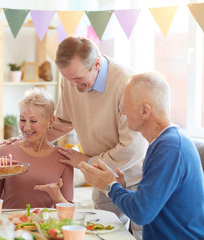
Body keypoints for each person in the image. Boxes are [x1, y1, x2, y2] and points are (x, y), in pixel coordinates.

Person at [80, 71, 204, 239]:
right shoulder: (164, 143)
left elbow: (142, 213)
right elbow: (148, 204)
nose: (123, 111)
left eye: (127, 105)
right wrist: (120, 188)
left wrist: (109, 186)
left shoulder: (171, 147)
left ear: (145, 111)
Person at [48, 36, 148, 238]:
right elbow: (64, 121)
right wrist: (30, 139)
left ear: (96, 63)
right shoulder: (70, 79)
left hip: (136, 176)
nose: (73, 85)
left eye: (77, 79)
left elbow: (133, 149)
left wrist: (87, 162)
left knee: (140, 236)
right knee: (103, 234)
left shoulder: (126, 84)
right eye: (68, 79)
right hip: (101, 176)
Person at [0, 88, 73, 208]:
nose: (26, 127)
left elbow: (69, 210)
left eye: (33, 121)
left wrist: (57, 196)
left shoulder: (63, 159)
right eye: (22, 120)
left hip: (44, 225)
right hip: (10, 224)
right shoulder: (5, 151)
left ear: (50, 121)